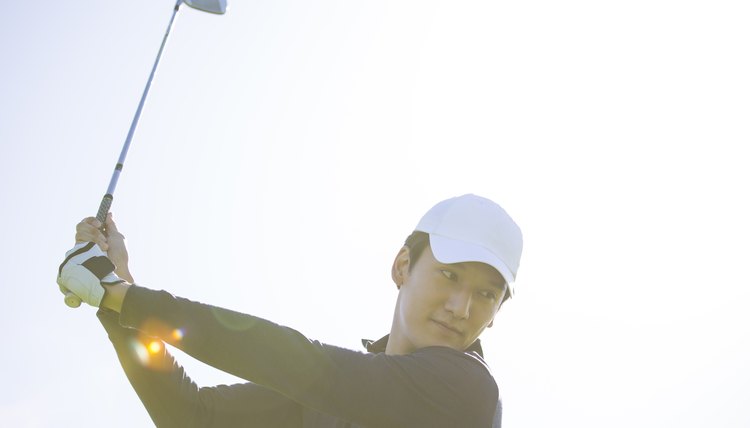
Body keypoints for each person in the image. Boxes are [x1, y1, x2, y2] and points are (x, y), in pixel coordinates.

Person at [58, 194, 523, 428]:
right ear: (403, 265)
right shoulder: (326, 400)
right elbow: (192, 416)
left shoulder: (467, 391)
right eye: (450, 275)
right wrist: (116, 294)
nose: (462, 307)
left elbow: (297, 361)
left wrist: (120, 297)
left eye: (487, 294)